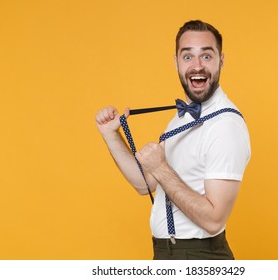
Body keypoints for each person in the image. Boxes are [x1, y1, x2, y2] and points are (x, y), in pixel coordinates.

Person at [95, 20, 251, 260]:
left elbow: (213, 220)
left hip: (199, 256)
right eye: (187, 57)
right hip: (166, 253)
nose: (197, 66)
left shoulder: (225, 126)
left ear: (221, 60)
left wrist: (160, 167)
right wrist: (110, 135)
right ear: (176, 62)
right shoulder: (182, 118)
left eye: (206, 56)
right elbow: (144, 184)